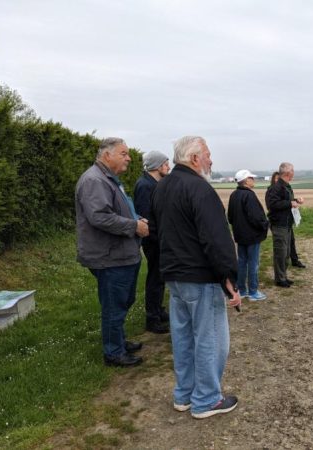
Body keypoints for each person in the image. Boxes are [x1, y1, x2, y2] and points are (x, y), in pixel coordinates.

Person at [150, 135, 241, 419]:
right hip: (201, 277)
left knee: (184, 338)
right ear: (194, 159)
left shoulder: (163, 186)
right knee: (210, 339)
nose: (211, 160)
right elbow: (216, 239)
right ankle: (207, 400)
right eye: (208, 155)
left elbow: (159, 231)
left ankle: (185, 395)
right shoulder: (199, 188)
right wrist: (228, 279)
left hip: (174, 275)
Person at [75, 137, 149, 367]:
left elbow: (119, 209)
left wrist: (136, 218)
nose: (128, 158)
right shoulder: (94, 180)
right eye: (123, 153)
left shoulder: (108, 179)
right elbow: (99, 216)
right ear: (107, 155)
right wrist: (134, 226)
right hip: (109, 257)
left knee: (123, 300)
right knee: (114, 305)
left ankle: (118, 340)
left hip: (121, 254)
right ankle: (113, 352)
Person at [133, 151, 170, 334]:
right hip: (154, 240)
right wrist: (159, 238)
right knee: (155, 278)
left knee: (160, 277)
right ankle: (152, 318)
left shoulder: (154, 183)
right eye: (165, 163)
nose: (168, 167)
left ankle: (158, 309)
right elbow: (146, 217)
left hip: (160, 238)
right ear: (156, 166)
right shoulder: (145, 185)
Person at [227, 169, 269, 301]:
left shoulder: (234, 195)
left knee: (241, 262)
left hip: (240, 236)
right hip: (252, 236)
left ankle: (242, 290)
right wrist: (265, 225)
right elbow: (256, 217)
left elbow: (230, 217)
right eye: (251, 178)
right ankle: (253, 292)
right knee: (253, 263)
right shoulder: (249, 196)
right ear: (245, 181)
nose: (253, 180)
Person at [265, 163, 304, 287]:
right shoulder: (275, 188)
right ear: (288, 173)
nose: (294, 172)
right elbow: (272, 205)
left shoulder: (287, 186)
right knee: (280, 253)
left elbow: (287, 201)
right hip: (279, 224)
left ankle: (284, 276)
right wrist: (290, 204)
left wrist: (295, 201)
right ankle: (279, 279)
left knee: (286, 253)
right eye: (293, 170)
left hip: (287, 223)